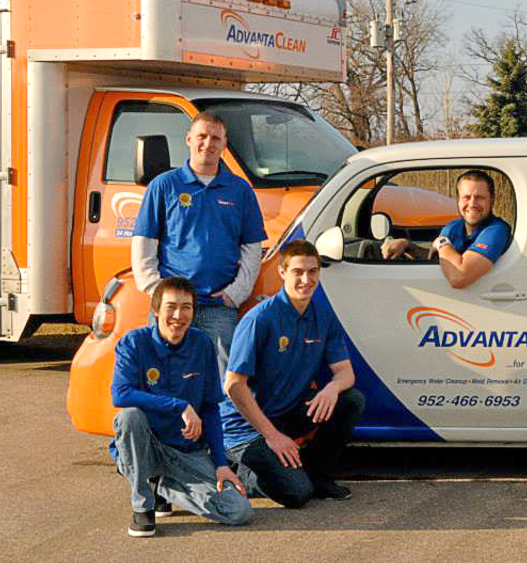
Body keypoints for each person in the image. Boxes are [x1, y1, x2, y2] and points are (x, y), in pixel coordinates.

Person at [221, 239, 366, 507]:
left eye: (312, 272)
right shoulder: (260, 319)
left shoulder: (323, 314)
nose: (306, 280)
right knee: (297, 494)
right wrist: (271, 435)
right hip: (247, 426)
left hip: (285, 414)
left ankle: (318, 477)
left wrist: (331, 389)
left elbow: (346, 373)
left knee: (351, 399)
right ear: (282, 273)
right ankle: (241, 470)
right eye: (298, 272)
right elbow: (234, 386)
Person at [110, 276, 251, 538]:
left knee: (239, 510)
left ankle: (161, 486)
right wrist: (180, 406)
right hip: (147, 446)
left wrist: (220, 464)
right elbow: (120, 394)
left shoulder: (202, 344)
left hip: (186, 452)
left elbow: (210, 408)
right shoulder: (134, 343)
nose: (178, 315)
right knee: (129, 417)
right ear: (156, 311)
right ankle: (143, 505)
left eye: (186, 307)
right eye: (171, 307)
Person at [131, 111, 267, 374]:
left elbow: (252, 248)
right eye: (202, 136)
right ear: (189, 139)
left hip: (219, 307)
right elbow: (143, 242)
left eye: (216, 138)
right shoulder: (164, 185)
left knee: (225, 377)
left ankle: (221, 418)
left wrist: (235, 293)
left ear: (224, 145)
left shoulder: (240, 190)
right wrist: (156, 290)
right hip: (173, 306)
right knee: (162, 371)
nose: (208, 143)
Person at [380, 169, 511, 288]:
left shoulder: (497, 230)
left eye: (479, 198)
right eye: (466, 197)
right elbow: (439, 259)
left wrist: (441, 242)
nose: (472, 204)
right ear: (458, 200)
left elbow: (459, 277)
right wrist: (407, 245)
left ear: (492, 200)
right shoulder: (453, 227)